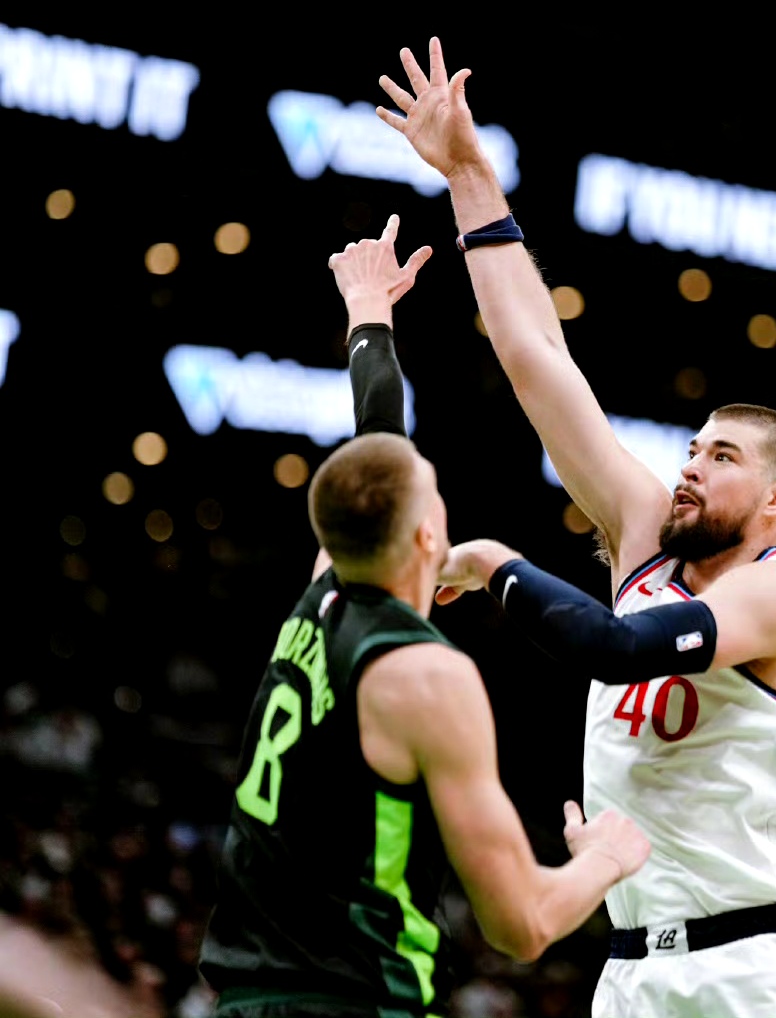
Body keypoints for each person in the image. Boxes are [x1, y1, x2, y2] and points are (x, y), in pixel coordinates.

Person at [375, 39, 776, 1017]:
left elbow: (615, 646)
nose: (690, 464)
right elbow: (534, 357)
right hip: (634, 966)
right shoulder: (648, 534)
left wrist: (504, 564)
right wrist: (472, 176)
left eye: (723, 457)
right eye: (692, 446)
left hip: (766, 968)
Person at [196, 216, 651, 1018]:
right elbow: (523, 924)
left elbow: (377, 443)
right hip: (355, 1002)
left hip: (243, 998)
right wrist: (605, 861)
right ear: (425, 534)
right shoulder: (428, 675)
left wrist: (369, 313)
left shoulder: (319, 595)